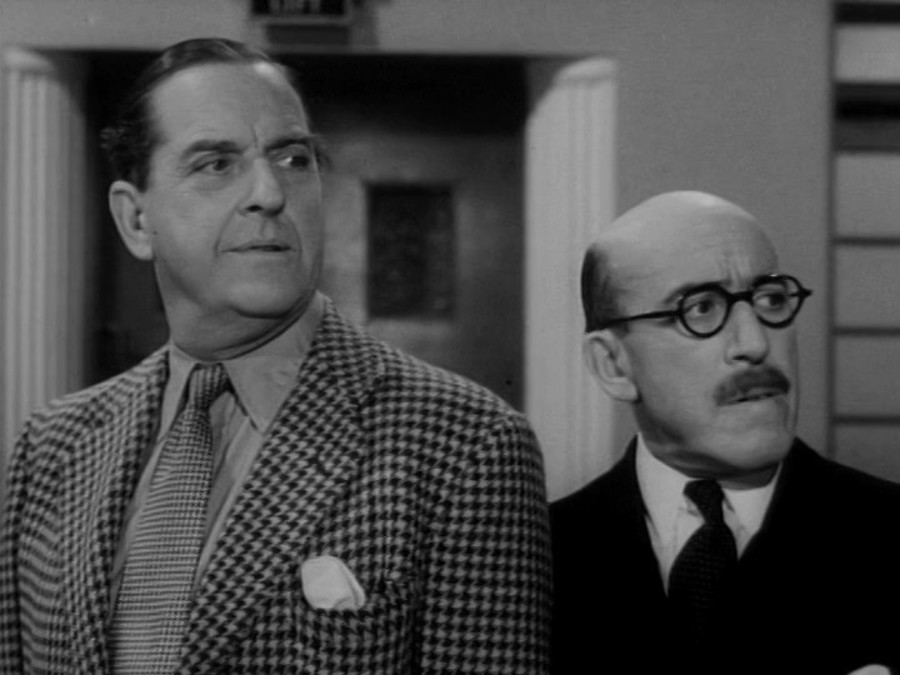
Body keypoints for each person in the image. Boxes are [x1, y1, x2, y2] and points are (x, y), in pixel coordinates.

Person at [0, 38, 551, 673]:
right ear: (136, 221)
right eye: (216, 163)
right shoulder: (52, 446)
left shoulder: (467, 444)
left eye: (293, 159)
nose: (269, 192)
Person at [551, 191, 900, 675]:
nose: (755, 343)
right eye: (700, 309)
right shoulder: (537, 558)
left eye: (770, 300)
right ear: (613, 364)